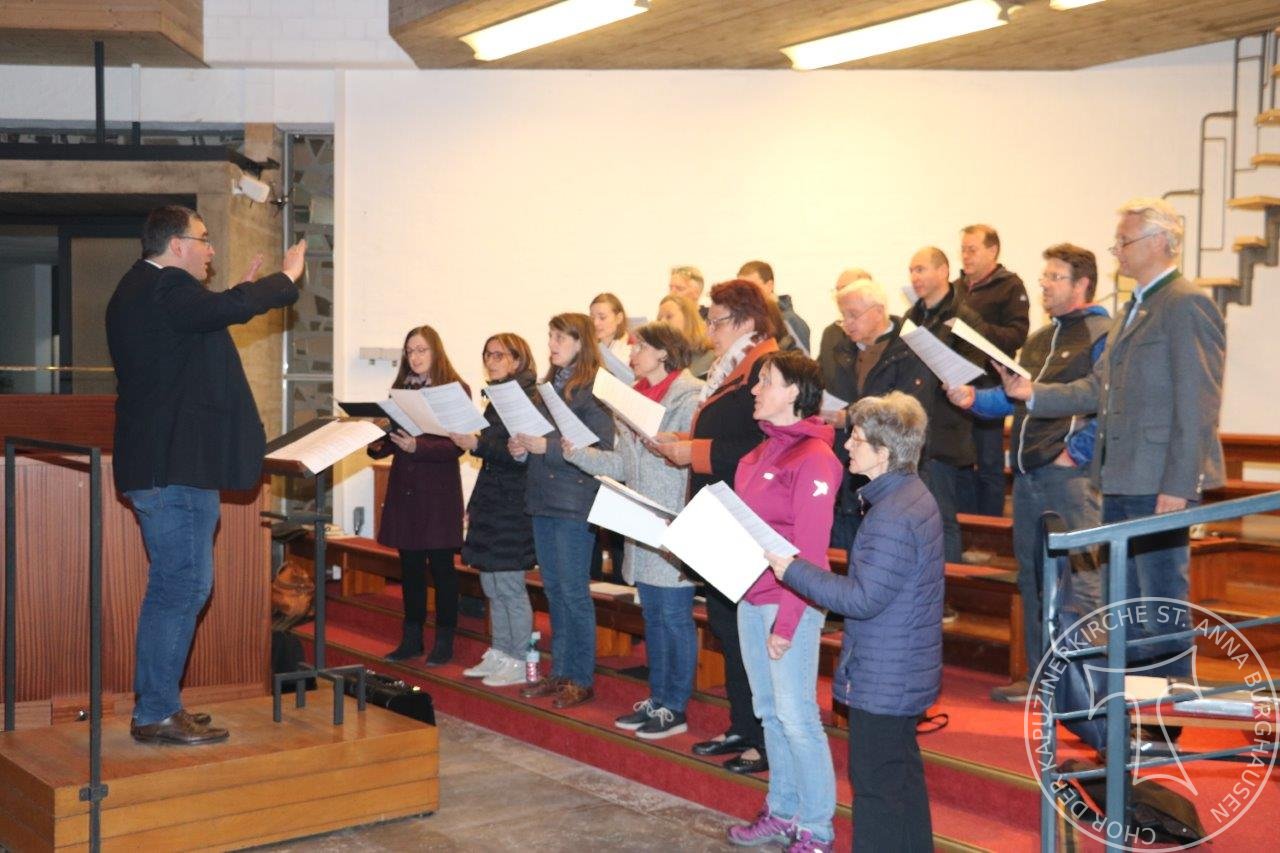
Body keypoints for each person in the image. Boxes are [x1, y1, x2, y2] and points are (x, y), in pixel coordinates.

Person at [1000, 198, 1226, 680]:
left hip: (1158, 481)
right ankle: (1128, 710)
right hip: (1120, 477)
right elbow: (1097, 388)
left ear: (1159, 242)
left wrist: (1179, 484)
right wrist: (1031, 393)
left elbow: (1199, 402)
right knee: (1123, 603)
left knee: (1159, 599)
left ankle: (1167, 705)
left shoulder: (1185, 303)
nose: (1117, 251)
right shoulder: (1132, 309)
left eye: (1124, 241)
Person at [106, 204, 305, 745]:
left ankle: (158, 707)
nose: (211, 249)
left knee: (172, 587)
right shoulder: (164, 286)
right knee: (183, 587)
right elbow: (223, 309)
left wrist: (231, 297)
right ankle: (156, 712)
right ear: (177, 246)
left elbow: (202, 324)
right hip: (175, 469)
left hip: (160, 465)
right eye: (204, 238)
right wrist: (283, 280)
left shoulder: (137, 289)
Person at [768, 391, 943, 853]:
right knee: (901, 782)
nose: (847, 445)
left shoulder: (892, 515)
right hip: (901, 666)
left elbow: (862, 600)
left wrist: (793, 570)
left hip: (885, 673)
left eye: (858, 439)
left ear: (883, 452)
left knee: (876, 790)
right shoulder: (911, 496)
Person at [947, 244, 1108, 703]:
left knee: (1082, 583)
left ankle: (1088, 688)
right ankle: (1042, 679)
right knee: (1033, 580)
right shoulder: (1039, 339)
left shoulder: (1103, 333)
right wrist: (973, 400)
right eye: (1044, 276)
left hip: (1070, 480)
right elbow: (1014, 396)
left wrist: (1075, 453)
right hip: (1028, 478)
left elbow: (1108, 401)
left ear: (1082, 284)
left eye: (1055, 277)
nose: (1044, 284)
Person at [653, 279, 778, 774]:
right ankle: (742, 724)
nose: (709, 331)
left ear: (746, 321)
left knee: (749, 632)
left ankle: (763, 739)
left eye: (717, 320)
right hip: (720, 511)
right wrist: (681, 440)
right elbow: (725, 430)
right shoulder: (733, 366)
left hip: (745, 513)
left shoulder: (765, 367)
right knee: (727, 625)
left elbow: (763, 446)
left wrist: (695, 452)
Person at [563, 322, 704, 738]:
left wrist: (660, 440)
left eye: (640, 346)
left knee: (674, 616)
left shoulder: (690, 396)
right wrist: (578, 454)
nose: (632, 354)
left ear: (663, 352)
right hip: (640, 521)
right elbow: (624, 465)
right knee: (654, 616)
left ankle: (675, 707)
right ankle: (658, 699)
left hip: (674, 516)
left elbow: (688, 458)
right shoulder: (633, 398)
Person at [725, 350, 841, 853]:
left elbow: (810, 552)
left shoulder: (815, 457)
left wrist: (788, 623)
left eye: (766, 381)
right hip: (751, 598)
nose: (755, 389)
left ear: (794, 391)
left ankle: (816, 827)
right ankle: (782, 809)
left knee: (797, 715)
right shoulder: (756, 455)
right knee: (769, 712)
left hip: (789, 602)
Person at [512, 313, 616, 709]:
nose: (552, 344)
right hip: (543, 497)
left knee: (574, 593)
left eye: (560, 337)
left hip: (574, 500)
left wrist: (548, 448)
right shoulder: (546, 389)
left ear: (580, 342)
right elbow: (538, 440)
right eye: (550, 336)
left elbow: (602, 449)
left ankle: (581, 678)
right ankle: (561, 671)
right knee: (554, 591)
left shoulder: (594, 391)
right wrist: (521, 448)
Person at [369, 325, 467, 666]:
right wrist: (376, 439)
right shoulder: (400, 391)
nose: (415, 357)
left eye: (421, 350)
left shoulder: (454, 389)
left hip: (438, 493)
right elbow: (391, 441)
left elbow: (457, 445)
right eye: (410, 351)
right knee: (410, 568)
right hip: (406, 492)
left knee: (442, 569)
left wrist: (418, 446)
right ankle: (411, 639)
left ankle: (444, 641)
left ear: (435, 351)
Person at [451, 333, 539, 688]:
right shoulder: (498, 396)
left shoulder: (526, 398)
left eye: (499, 355)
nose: (491, 361)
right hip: (491, 499)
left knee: (510, 585)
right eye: (487, 355)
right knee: (490, 582)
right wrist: (473, 504)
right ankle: (501, 651)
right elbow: (491, 460)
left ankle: (519, 658)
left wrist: (476, 443)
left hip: (514, 504)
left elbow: (520, 456)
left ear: (518, 360)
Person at [820, 278, 934, 551]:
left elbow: (909, 414)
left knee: (883, 550)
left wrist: (849, 418)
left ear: (878, 311)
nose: (847, 323)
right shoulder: (839, 349)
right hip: (846, 464)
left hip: (889, 470)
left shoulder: (910, 348)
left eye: (853, 315)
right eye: (843, 316)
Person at [905, 247, 976, 564]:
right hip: (914, 430)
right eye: (912, 270)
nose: (914, 277)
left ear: (944, 270)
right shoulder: (912, 316)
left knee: (942, 517)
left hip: (945, 430)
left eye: (921, 269)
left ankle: (950, 586)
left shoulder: (965, 318)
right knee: (916, 519)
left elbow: (976, 372)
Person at [955, 224, 1030, 518]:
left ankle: (988, 529)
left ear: (992, 250)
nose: (965, 256)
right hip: (957, 384)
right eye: (963, 249)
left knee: (988, 463)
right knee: (960, 462)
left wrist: (974, 326)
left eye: (972, 249)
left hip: (991, 385)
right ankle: (964, 525)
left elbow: (1016, 336)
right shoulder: (956, 289)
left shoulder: (1010, 286)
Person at [738, 260, 811, 354]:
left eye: (752, 288)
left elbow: (803, 361)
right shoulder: (745, 322)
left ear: (770, 285)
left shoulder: (790, 321)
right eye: (740, 289)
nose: (745, 294)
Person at [657, 292, 716, 378]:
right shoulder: (661, 360)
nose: (662, 322)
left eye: (669, 316)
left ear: (688, 319)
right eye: (659, 319)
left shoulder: (710, 359)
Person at [590, 292, 631, 362]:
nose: (595, 323)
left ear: (619, 318)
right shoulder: (588, 347)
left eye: (602, 318)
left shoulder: (632, 349)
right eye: (592, 318)